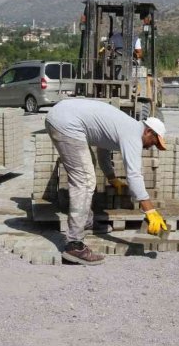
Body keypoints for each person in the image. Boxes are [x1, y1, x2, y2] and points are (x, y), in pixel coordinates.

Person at [45, 98, 168, 265]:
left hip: (63, 116)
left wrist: (112, 178)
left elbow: (103, 152)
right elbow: (134, 175)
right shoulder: (133, 134)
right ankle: (74, 245)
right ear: (148, 132)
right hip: (66, 123)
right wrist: (150, 211)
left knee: (89, 167)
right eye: (153, 142)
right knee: (85, 180)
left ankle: (85, 222)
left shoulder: (123, 126)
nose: (150, 147)